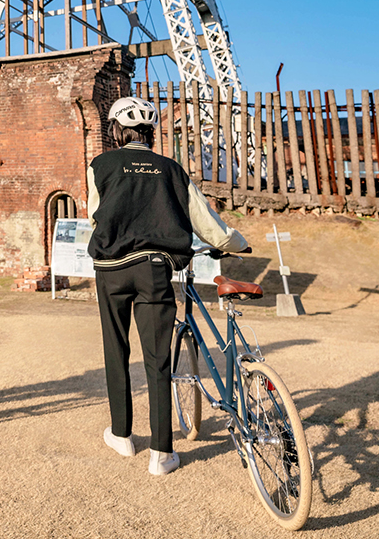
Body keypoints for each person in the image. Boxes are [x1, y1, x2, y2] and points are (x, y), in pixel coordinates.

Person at [88, 95, 249, 476]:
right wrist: (237, 244)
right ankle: (162, 453)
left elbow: (95, 215)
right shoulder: (171, 170)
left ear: (115, 131)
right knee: (158, 358)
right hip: (155, 269)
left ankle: (122, 435)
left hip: (111, 269)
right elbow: (207, 224)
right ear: (150, 133)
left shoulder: (101, 165)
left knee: (116, 349)